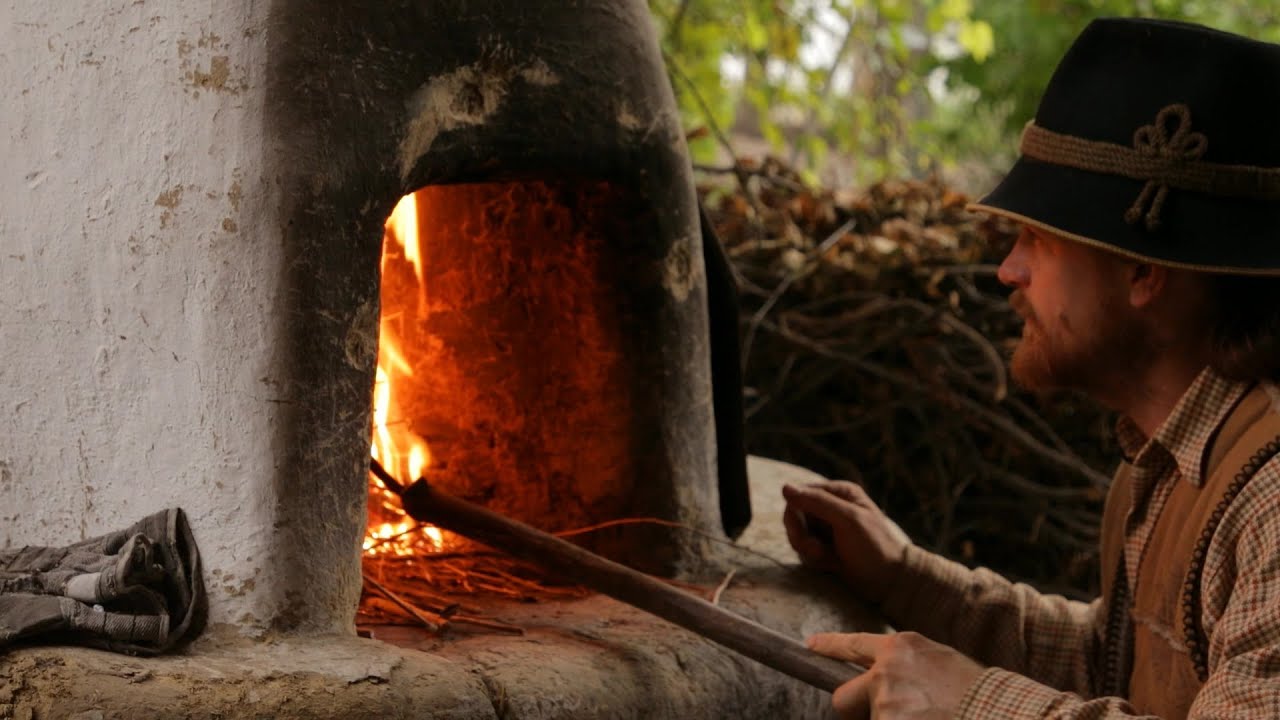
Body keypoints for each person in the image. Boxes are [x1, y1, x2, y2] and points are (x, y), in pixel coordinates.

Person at [783, 17, 1280, 719]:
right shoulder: (1170, 460)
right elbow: (1109, 664)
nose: (1008, 270)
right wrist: (906, 577)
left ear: (1143, 271)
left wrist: (972, 704)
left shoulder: (1271, 500)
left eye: (1037, 239)